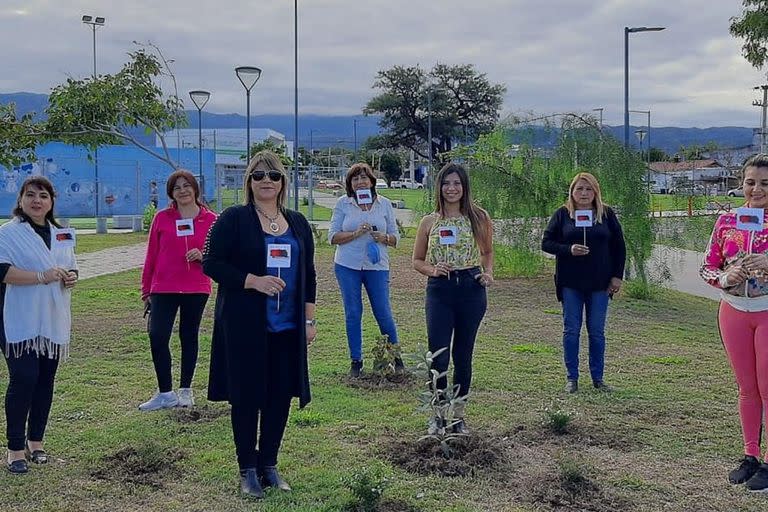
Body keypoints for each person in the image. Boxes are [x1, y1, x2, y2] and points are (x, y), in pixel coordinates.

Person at [203, 150, 317, 498]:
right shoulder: (233, 219)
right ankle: (247, 469)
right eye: (258, 175)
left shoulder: (298, 223)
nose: (266, 181)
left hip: (288, 327)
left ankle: (269, 464)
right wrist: (252, 280)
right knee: (247, 396)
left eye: (274, 175)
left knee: (279, 396)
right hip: (245, 325)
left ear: (283, 182)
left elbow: (309, 274)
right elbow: (212, 263)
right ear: (248, 182)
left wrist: (310, 319)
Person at [0, 176, 78, 474]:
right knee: (24, 377)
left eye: (43, 195)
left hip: (51, 316)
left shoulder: (62, 233)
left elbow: (70, 266)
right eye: (30, 195)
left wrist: (71, 277)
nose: (37, 200)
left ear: (51, 202)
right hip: (15, 316)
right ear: (20, 200)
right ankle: (15, 448)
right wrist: (40, 277)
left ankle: (36, 442)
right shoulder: (7, 233)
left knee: (45, 378)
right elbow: (3, 271)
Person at [700, 154, 768, 492]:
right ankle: (750, 455)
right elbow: (708, 267)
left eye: (765, 183)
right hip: (733, 312)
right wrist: (727, 276)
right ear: (741, 184)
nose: (756, 189)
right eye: (751, 182)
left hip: (767, 312)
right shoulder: (728, 220)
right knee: (747, 388)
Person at [412, 163, 493, 434]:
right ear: (439, 187)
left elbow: (487, 252)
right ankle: (437, 416)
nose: (452, 189)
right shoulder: (429, 221)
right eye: (446, 183)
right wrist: (432, 269)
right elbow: (417, 260)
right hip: (440, 291)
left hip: (471, 290)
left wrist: (487, 273)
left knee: (463, 355)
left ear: (465, 187)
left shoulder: (479, 217)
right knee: (439, 356)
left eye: (457, 183)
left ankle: (458, 416)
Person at [541, 172, 626, 394]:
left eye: (588, 189)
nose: (584, 193)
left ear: (595, 191)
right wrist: (568, 249)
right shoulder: (562, 214)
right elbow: (547, 243)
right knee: (571, 330)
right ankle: (572, 377)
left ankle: (598, 378)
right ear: (572, 191)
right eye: (579, 189)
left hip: (600, 283)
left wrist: (617, 276)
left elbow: (619, 247)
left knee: (596, 331)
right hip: (571, 283)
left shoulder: (606, 214)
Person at [139, 170, 217, 411]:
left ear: (195, 189)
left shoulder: (212, 219)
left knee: (188, 335)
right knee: (158, 336)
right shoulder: (162, 218)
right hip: (163, 287)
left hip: (196, 287)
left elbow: (220, 256)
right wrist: (146, 290)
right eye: (176, 188)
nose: (182, 191)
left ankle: (185, 390)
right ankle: (165, 392)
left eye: (187, 186)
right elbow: (151, 255)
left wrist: (203, 257)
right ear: (170, 193)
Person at [328, 163, 401, 377]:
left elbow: (397, 237)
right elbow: (332, 236)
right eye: (355, 179)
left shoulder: (384, 204)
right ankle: (356, 361)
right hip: (347, 265)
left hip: (377, 266)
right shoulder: (344, 204)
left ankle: (396, 358)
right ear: (350, 184)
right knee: (353, 312)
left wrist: (385, 238)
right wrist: (355, 234)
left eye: (364, 178)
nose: (360, 182)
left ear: (371, 181)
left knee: (383, 312)